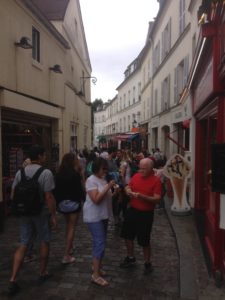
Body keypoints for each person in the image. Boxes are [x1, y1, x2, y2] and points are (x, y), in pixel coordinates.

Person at [8, 145, 57, 295]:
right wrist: (53, 215)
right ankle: (42, 272)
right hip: (40, 213)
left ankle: (13, 278)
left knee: (24, 243)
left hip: (24, 213)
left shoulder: (20, 172)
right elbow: (48, 196)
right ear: (41, 156)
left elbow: (13, 194)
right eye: (44, 155)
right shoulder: (46, 173)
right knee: (44, 240)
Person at [120, 158, 162, 275]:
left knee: (144, 240)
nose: (141, 170)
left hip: (146, 214)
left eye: (144, 169)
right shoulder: (136, 176)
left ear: (150, 169)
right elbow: (128, 186)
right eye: (140, 168)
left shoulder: (156, 181)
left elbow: (157, 199)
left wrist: (143, 197)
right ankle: (130, 257)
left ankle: (147, 263)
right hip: (132, 210)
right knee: (127, 235)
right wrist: (127, 190)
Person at [83, 157, 117, 286]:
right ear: (96, 168)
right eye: (103, 169)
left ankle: (96, 267)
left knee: (100, 243)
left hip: (103, 215)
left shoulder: (102, 179)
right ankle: (95, 275)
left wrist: (114, 193)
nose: (105, 171)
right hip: (94, 216)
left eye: (106, 169)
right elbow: (96, 199)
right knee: (100, 243)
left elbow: (105, 196)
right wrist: (108, 186)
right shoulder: (90, 180)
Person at [54, 153, 85, 264]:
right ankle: (66, 255)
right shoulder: (75, 174)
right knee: (72, 227)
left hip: (62, 204)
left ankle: (70, 247)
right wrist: (81, 174)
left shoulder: (58, 174)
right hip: (73, 204)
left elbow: (55, 191)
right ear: (72, 162)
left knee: (68, 226)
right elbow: (80, 189)